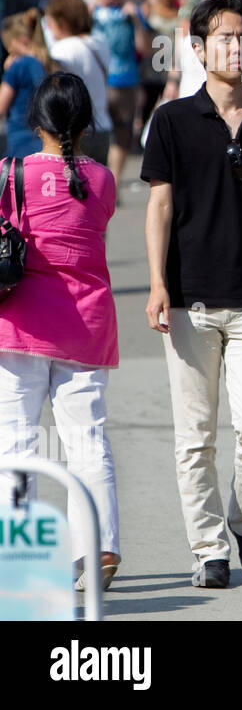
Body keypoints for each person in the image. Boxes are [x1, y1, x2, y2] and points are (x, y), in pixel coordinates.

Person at [142, 0, 242, 589]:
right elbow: (159, 204)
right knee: (196, 436)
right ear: (200, 49)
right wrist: (157, 282)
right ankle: (209, 548)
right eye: (224, 38)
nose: (236, 47)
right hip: (188, 297)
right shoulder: (173, 120)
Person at [0, 73, 122, 591]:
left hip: (20, 324)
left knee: (16, 444)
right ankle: (99, 550)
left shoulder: (12, 175)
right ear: (86, 122)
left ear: (36, 121)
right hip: (86, 326)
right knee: (87, 441)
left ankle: (20, 558)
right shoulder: (102, 180)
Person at [89, 0, 151, 188]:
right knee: (94, 131)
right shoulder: (91, 13)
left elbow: (145, 48)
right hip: (96, 82)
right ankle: (97, 179)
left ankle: (112, 184)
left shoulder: (130, 12)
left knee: (122, 133)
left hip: (124, 80)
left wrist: (135, 20)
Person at [45, 0, 113, 165]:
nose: (48, 27)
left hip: (74, 133)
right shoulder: (100, 42)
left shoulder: (63, 49)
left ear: (62, 21)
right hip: (102, 127)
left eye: (50, 21)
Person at [1, 10, 54, 159]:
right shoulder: (49, 62)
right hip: (48, 140)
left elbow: (1, 107)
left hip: (20, 139)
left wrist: (8, 72)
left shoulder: (18, 65)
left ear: (21, 40)